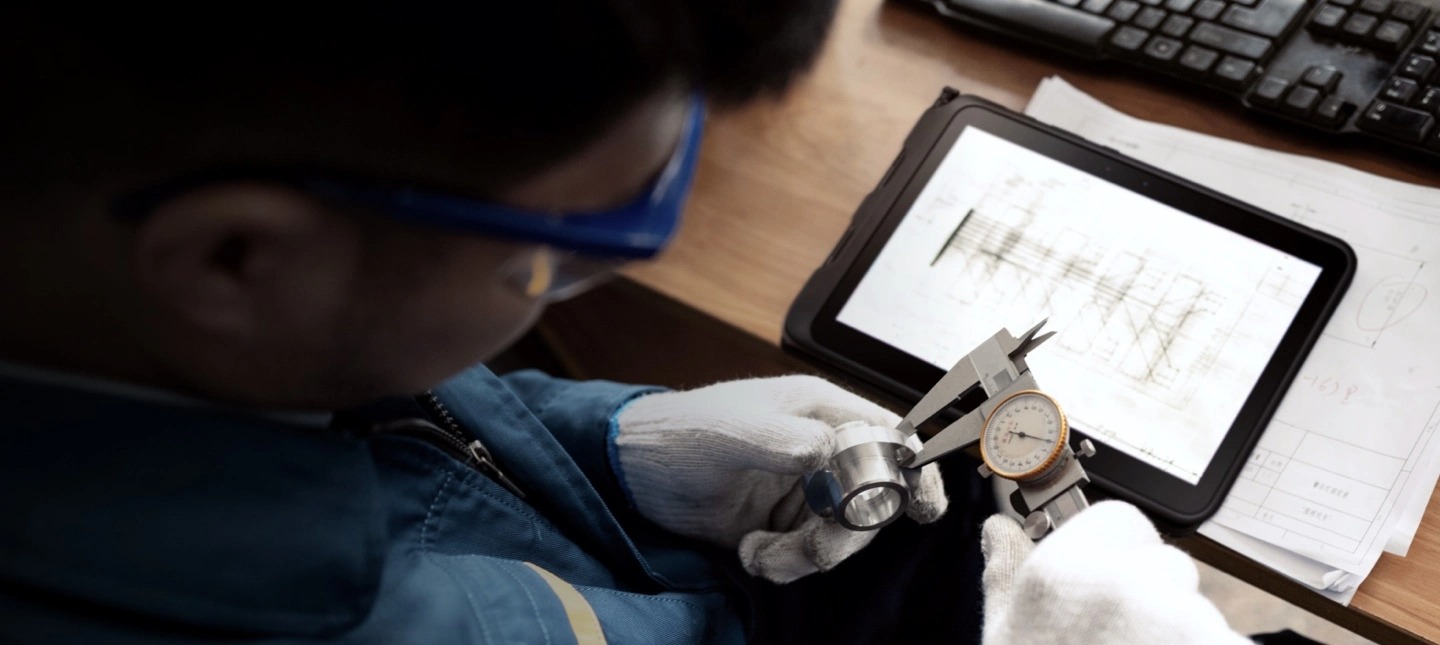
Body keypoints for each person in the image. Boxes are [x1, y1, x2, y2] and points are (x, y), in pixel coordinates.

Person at [1, 1, 1275, 643]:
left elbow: (367, 402)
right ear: (235, 256)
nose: (587, 273)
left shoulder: (116, 304)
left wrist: (613, 446)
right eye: (575, 247)